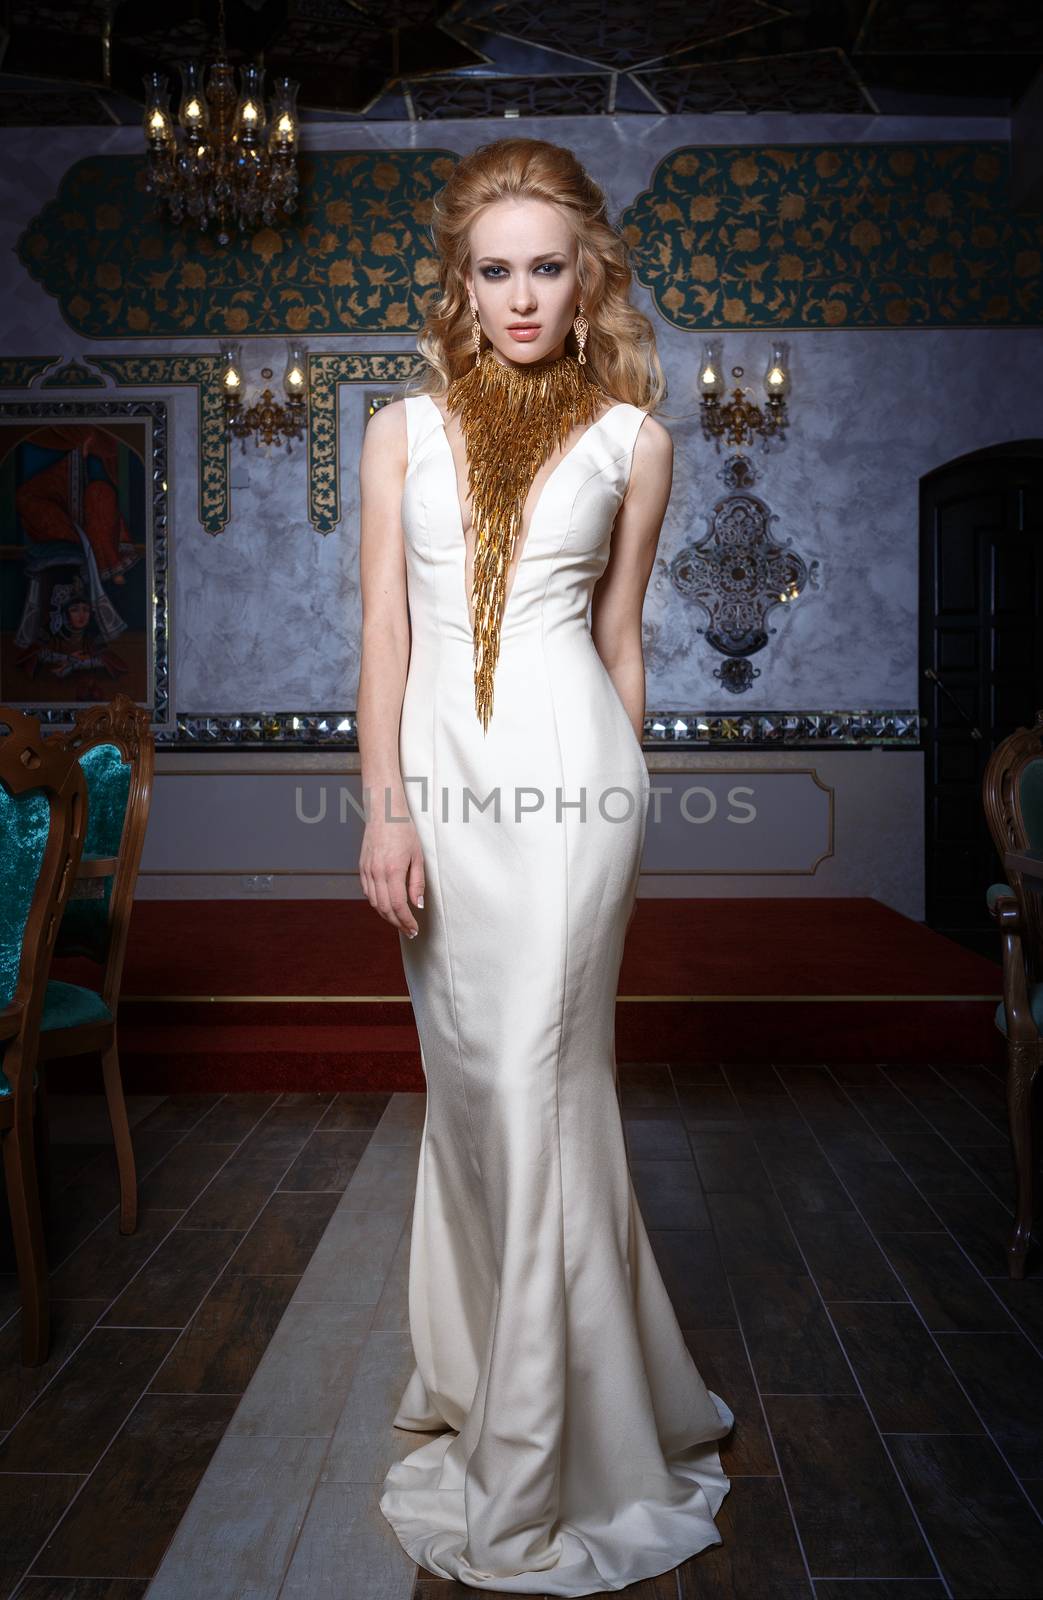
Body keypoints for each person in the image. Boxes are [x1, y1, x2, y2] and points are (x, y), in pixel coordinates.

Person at [356, 137, 732, 1595]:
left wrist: (616, 803)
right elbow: (384, 639)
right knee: (478, 1104)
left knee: (538, 1083)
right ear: (463, 284)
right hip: (440, 796)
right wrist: (383, 809)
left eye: (548, 267)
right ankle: (508, 1371)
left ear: (591, 281)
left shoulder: (639, 441)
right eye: (494, 270)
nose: (522, 296)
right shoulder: (401, 429)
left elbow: (622, 644)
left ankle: (537, 1464)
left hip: (579, 797)